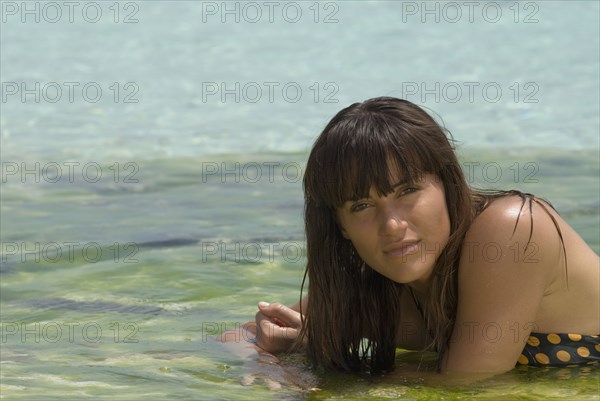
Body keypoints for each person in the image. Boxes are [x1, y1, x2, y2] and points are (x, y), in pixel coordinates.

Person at [234, 97, 599, 378]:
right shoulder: (381, 296)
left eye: (407, 190)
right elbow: (239, 338)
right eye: (361, 205)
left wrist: (325, 365)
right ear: (340, 226)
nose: (392, 225)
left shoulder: (511, 231)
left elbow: (467, 389)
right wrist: (272, 365)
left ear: (447, 182)